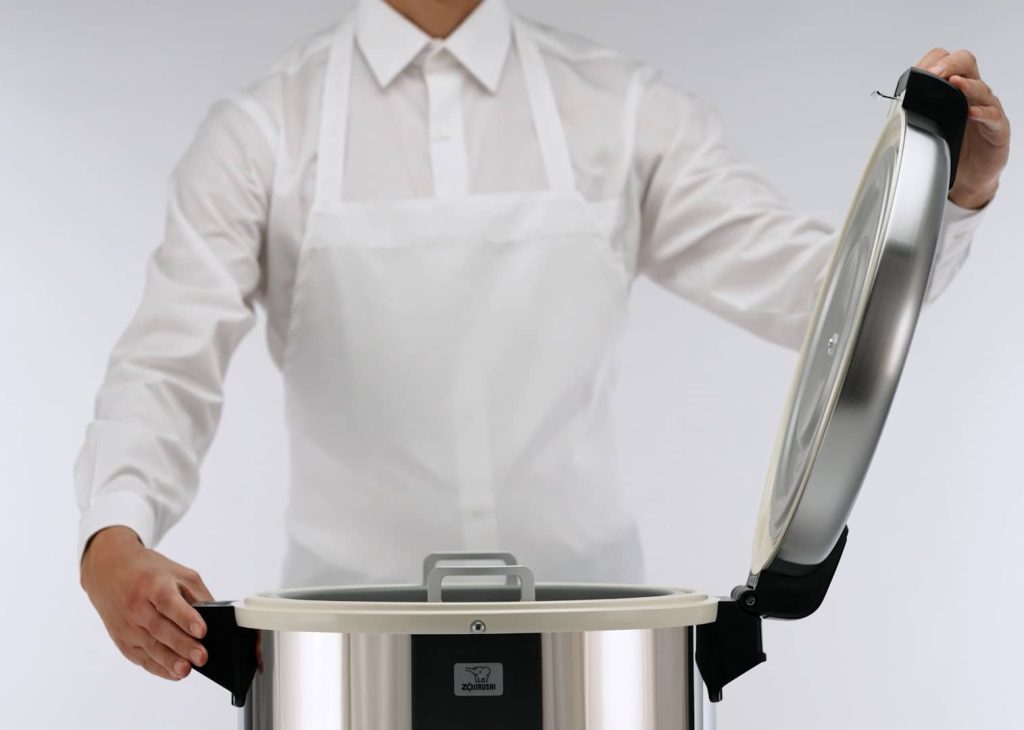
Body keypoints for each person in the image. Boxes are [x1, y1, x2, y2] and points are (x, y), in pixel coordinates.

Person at [76, 0, 1010, 684]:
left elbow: (832, 303)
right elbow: (167, 361)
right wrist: (111, 538)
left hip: (600, 658)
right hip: (339, 660)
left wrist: (947, 198)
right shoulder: (262, 130)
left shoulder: (621, 107)